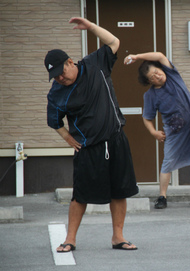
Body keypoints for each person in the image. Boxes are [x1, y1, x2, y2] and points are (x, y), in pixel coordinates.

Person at [45, 17, 139, 252]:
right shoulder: (57, 93)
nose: (59, 78)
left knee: (119, 190)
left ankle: (118, 237)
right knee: (81, 195)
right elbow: (54, 121)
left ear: (70, 62)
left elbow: (115, 41)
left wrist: (91, 27)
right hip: (88, 148)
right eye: (54, 76)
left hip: (115, 138)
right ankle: (70, 238)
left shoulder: (95, 64)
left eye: (61, 72)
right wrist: (67, 137)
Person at [124, 51, 190, 209]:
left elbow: (160, 55)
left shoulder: (173, 76)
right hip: (173, 132)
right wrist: (154, 132)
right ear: (149, 82)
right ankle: (162, 197)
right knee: (167, 163)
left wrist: (137, 57)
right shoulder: (151, 96)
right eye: (152, 77)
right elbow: (147, 118)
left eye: (157, 72)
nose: (158, 76)